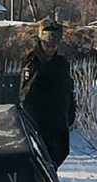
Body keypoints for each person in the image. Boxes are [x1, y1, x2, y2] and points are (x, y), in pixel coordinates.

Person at [19, 19, 77, 169]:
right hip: (40, 121)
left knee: (60, 152)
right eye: (47, 45)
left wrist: (70, 112)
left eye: (53, 46)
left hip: (58, 120)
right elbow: (26, 96)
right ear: (41, 42)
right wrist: (32, 122)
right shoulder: (33, 64)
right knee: (43, 159)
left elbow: (67, 90)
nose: (50, 49)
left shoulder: (61, 64)